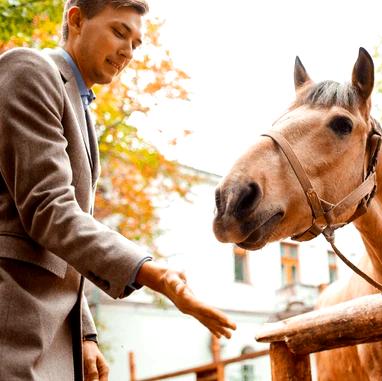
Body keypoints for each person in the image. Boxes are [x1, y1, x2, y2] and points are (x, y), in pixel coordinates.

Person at [0, 1, 236, 380]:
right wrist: (155, 275)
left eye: (137, 43)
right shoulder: (30, 71)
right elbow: (49, 210)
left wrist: (85, 334)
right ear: (76, 20)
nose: (128, 50)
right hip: (14, 334)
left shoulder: (80, 105)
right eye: (119, 32)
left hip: (53, 340)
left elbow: (67, 240)